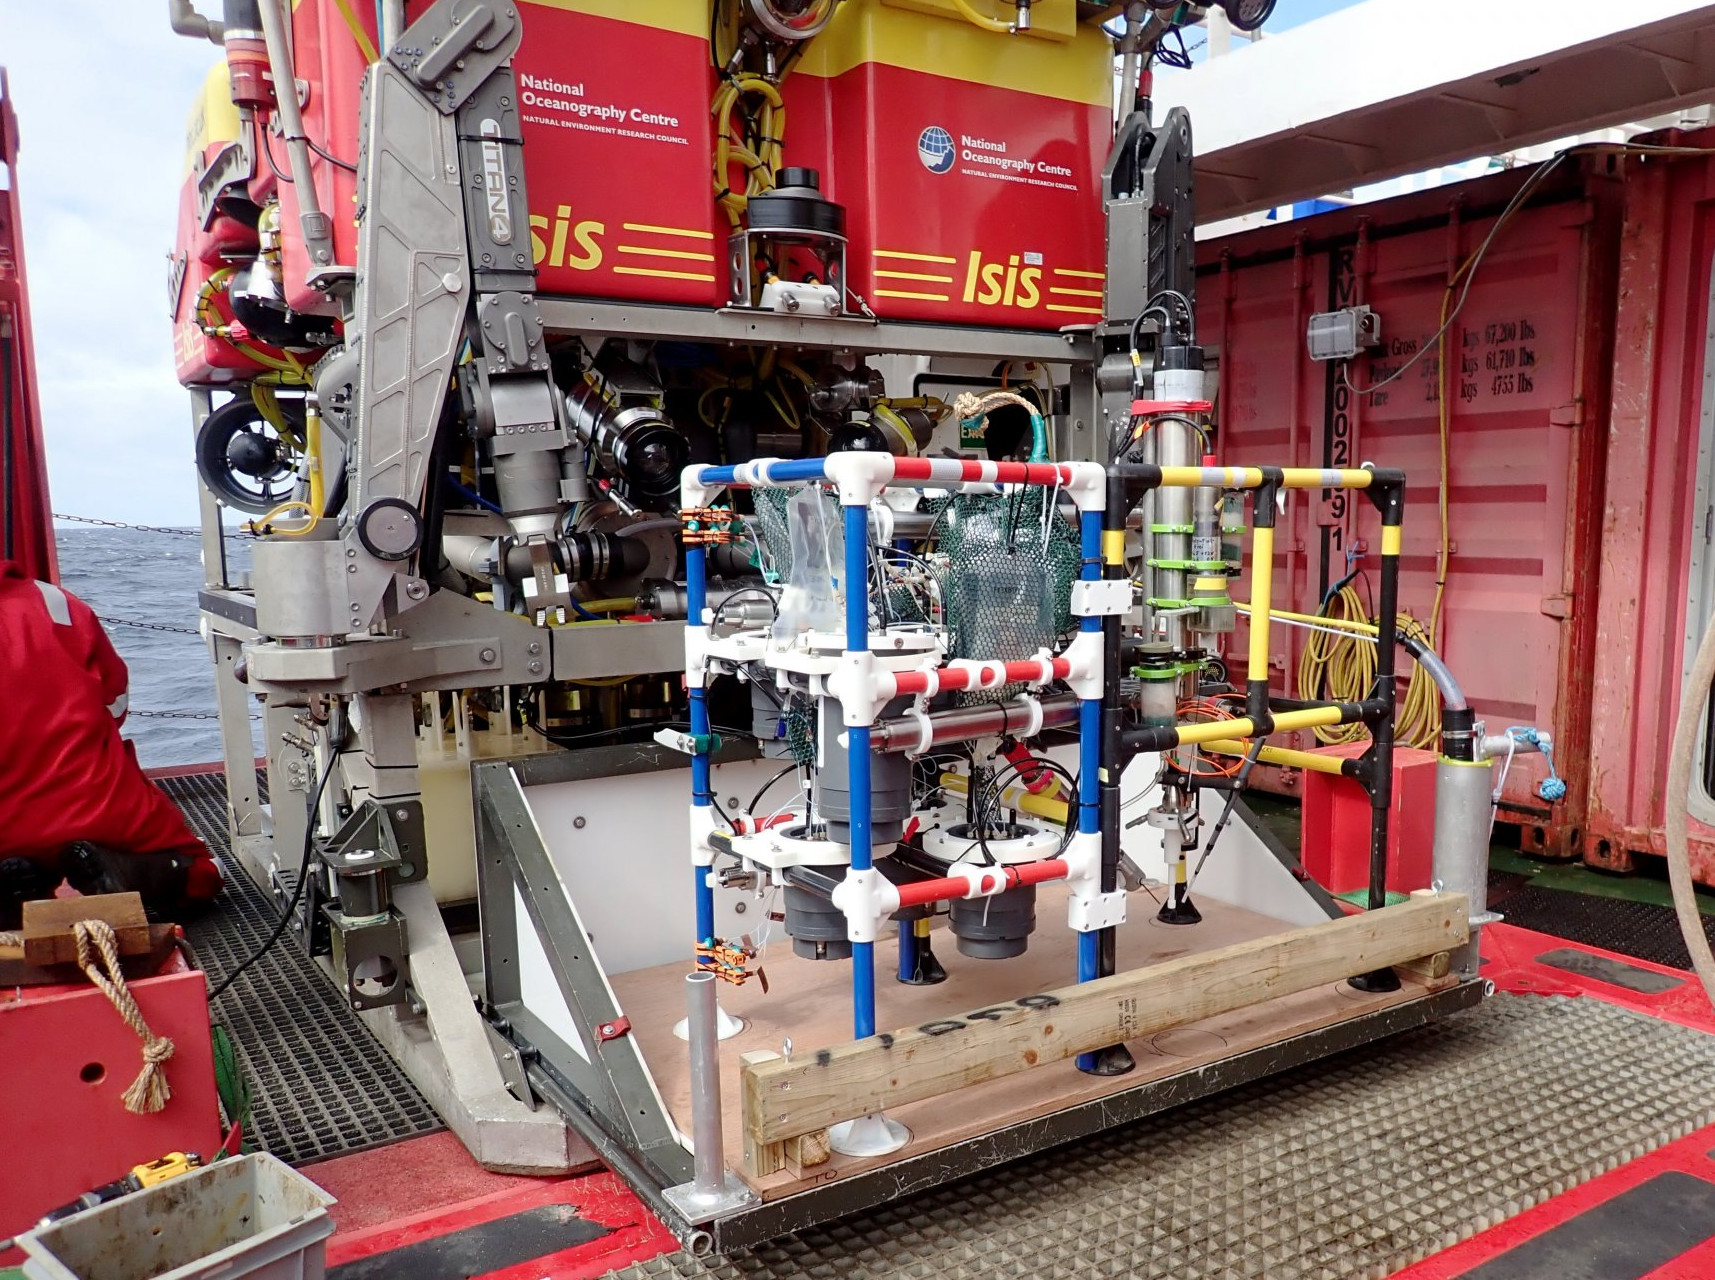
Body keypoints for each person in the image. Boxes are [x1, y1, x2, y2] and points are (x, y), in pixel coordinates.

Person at [0, 559, 223, 930]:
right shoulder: (56, 603)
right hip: (98, 805)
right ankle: (130, 870)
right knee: (203, 869)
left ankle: (16, 881)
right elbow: (115, 702)